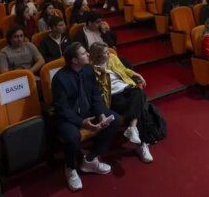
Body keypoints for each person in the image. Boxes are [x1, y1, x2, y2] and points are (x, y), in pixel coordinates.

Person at [52, 43, 119, 191]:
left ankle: (90, 159)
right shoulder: (59, 79)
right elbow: (62, 109)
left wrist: (101, 113)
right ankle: (70, 168)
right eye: (84, 53)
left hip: (88, 111)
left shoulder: (88, 69)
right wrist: (82, 122)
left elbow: (95, 94)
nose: (88, 54)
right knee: (72, 137)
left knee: (114, 120)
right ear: (75, 60)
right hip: (69, 117)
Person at [89, 42, 153, 163]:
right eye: (105, 53)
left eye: (107, 51)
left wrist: (135, 74)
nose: (109, 54)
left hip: (127, 88)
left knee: (140, 93)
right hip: (112, 97)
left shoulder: (112, 58)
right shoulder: (91, 69)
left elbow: (124, 70)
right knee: (141, 107)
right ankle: (142, 144)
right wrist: (103, 73)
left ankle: (132, 127)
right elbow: (97, 91)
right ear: (97, 56)